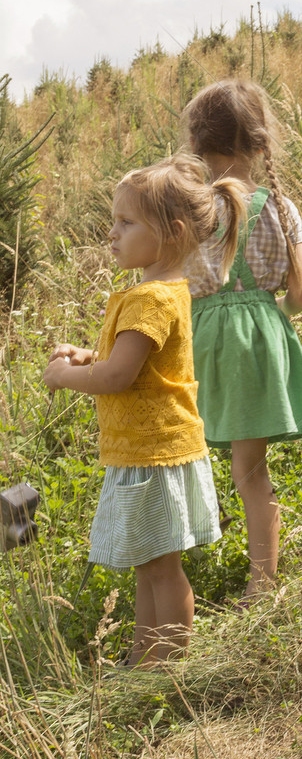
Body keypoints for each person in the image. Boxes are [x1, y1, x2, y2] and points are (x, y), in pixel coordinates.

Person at [43, 155, 247, 668]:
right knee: (148, 564)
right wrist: (90, 356)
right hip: (148, 451)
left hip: (154, 453)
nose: (112, 233)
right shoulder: (156, 291)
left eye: (126, 223)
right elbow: (129, 365)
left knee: (161, 569)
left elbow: (117, 378)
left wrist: (64, 374)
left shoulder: (151, 298)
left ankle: (167, 671)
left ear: (171, 232)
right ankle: (145, 659)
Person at [182, 80, 302, 602]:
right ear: (259, 141)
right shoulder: (282, 208)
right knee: (251, 470)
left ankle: (178, 567)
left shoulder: (193, 209)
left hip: (205, 342)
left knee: (187, 450)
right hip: (264, 338)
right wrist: (267, 320)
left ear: (198, 144)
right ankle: (262, 584)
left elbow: (172, 282)